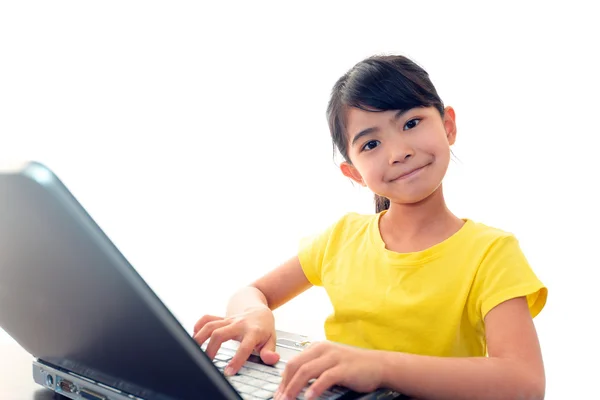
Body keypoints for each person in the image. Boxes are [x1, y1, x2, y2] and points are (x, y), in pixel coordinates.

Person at [193, 54, 547, 400]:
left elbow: (524, 382)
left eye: (411, 123)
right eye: (371, 144)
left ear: (448, 125)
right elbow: (252, 293)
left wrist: (379, 367)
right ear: (354, 173)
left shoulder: (491, 253)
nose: (398, 153)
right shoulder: (342, 238)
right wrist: (255, 314)